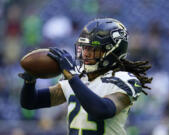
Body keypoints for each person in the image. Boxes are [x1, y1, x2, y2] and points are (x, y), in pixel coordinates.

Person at [19, 18, 152, 135]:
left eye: (93, 49)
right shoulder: (78, 77)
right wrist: (29, 82)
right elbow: (31, 102)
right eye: (84, 47)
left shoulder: (125, 79)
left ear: (113, 51)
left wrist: (72, 77)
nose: (86, 53)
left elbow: (102, 110)